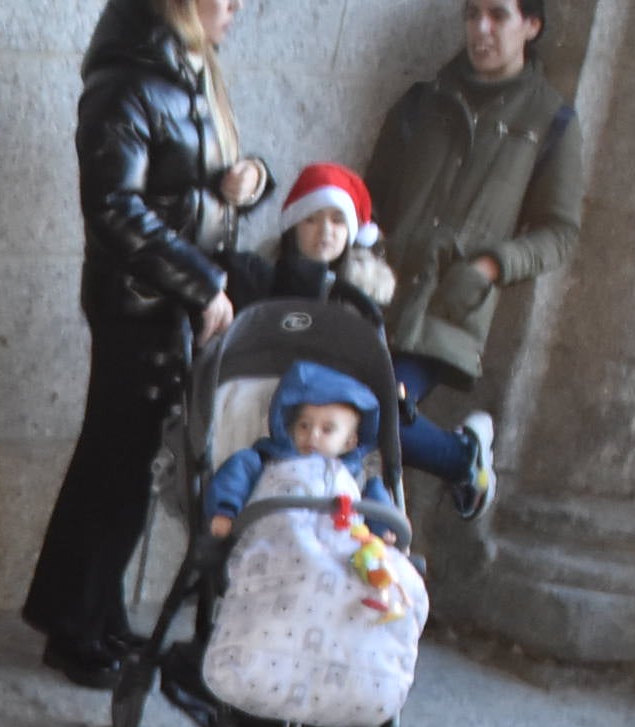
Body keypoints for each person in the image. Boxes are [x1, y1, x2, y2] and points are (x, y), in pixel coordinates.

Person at [22, 0, 271, 688]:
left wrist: (251, 180)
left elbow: (189, 187)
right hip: (140, 307)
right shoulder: (126, 82)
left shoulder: (190, 73)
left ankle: (93, 615)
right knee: (113, 463)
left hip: (174, 306)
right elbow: (113, 207)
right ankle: (73, 626)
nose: (237, 8)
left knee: (131, 469)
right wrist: (200, 285)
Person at [362, 0, 584, 523]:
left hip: (449, 306)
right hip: (382, 290)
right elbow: (369, 197)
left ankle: (463, 460)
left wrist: (490, 267)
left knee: (373, 413)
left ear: (531, 25)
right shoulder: (422, 101)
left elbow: (560, 232)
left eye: (498, 15)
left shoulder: (551, 120)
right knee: (345, 411)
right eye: (472, 14)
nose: (481, 29)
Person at [205, 361, 395, 537]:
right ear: (291, 428)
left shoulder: (356, 478)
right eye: (304, 425)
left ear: (350, 442)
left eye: (327, 430)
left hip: (338, 551)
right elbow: (233, 478)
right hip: (273, 543)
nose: (312, 435)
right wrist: (225, 511)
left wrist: (386, 529)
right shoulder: (268, 459)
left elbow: (378, 506)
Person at [223, 160, 396, 327]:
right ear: (293, 229)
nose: (326, 231)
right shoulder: (253, 278)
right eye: (311, 219)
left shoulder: (362, 304)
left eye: (338, 220)